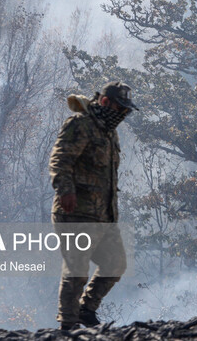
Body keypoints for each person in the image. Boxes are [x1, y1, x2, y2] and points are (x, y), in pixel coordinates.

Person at [49, 81, 138, 330]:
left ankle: (86, 310)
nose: (122, 114)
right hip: (75, 213)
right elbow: (61, 159)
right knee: (76, 269)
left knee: (115, 263)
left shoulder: (109, 132)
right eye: (119, 108)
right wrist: (66, 190)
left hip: (103, 216)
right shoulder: (81, 124)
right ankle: (68, 326)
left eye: (125, 110)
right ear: (106, 102)